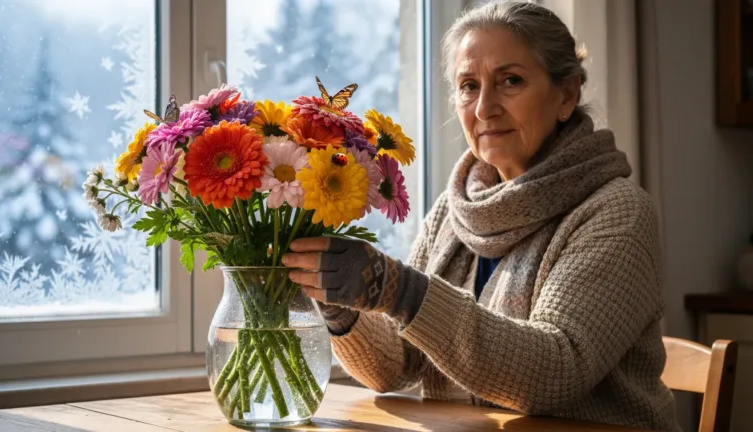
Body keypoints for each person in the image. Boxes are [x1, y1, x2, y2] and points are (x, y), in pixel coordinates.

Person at [282, 2, 679, 431]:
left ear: (566, 95)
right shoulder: (454, 210)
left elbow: (554, 373)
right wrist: (342, 306)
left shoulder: (617, 212)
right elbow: (397, 367)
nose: (485, 108)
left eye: (511, 81)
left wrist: (400, 291)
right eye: (469, 86)